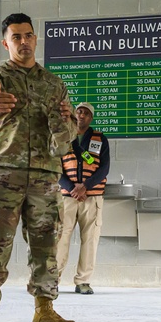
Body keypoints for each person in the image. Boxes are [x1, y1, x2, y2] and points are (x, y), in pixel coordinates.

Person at [0, 12, 78, 322]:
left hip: (45, 174)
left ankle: (44, 311)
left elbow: (70, 130)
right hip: (5, 172)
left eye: (28, 35)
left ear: (35, 39)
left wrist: (65, 122)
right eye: (16, 37)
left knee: (47, 244)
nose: (24, 42)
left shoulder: (54, 84)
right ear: (6, 43)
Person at [56, 102, 110, 296]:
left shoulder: (100, 139)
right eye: (79, 111)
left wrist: (85, 187)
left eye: (86, 113)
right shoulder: (63, 137)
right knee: (61, 238)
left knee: (90, 239)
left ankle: (83, 281)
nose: (81, 115)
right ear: (73, 115)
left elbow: (104, 168)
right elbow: (56, 167)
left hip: (92, 196)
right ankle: (54, 279)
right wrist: (71, 188)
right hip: (68, 196)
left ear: (91, 118)